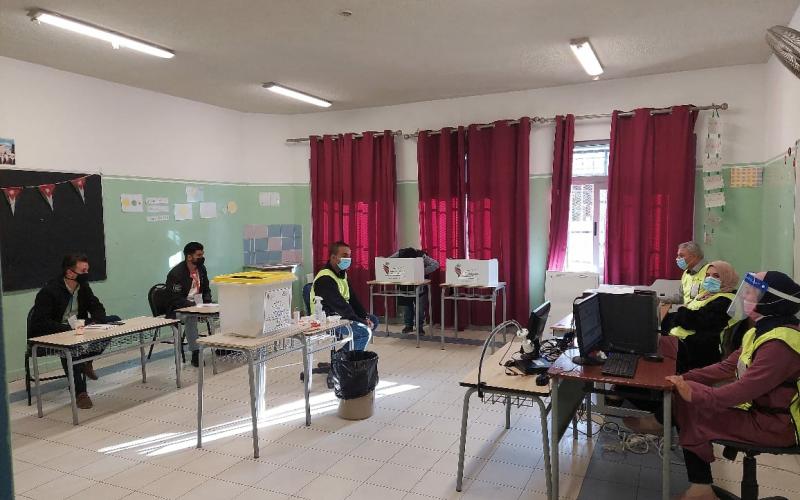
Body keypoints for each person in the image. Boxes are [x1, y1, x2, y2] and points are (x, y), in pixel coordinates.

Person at [667, 271, 800, 500]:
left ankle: (701, 488)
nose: (744, 295)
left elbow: (743, 390)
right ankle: (701, 486)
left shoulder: (780, 344)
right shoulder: (760, 331)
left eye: (752, 291)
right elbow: (726, 368)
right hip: (759, 412)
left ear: (771, 299)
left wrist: (696, 394)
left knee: (692, 406)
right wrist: (685, 378)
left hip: (777, 426)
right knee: (686, 400)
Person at [29, 253, 119, 409]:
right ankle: (80, 393)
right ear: (70, 273)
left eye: (87, 270)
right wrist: (69, 329)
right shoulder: (49, 291)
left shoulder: (83, 287)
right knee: (71, 348)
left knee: (114, 320)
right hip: (54, 332)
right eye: (83, 271)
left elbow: (96, 306)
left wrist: (97, 320)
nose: (87, 274)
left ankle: (86, 361)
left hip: (77, 327)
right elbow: (40, 323)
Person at [664, 260, 740, 373]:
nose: (710, 279)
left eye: (716, 276)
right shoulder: (705, 294)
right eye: (707, 275)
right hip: (681, 341)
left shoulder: (726, 300)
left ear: (727, 278)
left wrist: (681, 312)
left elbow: (696, 321)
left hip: (698, 350)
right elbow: (688, 314)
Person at [310, 241, 376, 351]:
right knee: (363, 332)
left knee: (373, 320)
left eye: (349, 256)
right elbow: (340, 305)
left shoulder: (342, 274)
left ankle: (342, 355)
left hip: (340, 314)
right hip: (328, 318)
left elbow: (353, 299)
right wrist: (360, 321)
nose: (348, 259)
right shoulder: (325, 278)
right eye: (344, 256)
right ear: (333, 257)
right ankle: (343, 358)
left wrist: (364, 317)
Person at [163, 242, 212, 367]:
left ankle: (223, 346)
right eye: (199, 255)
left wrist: (207, 304)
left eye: (202, 254)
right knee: (191, 317)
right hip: (178, 310)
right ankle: (195, 353)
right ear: (189, 257)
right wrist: (194, 307)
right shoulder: (176, 274)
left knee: (221, 309)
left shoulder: (201, 269)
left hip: (198, 305)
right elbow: (176, 299)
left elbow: (206, 289)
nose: (202, 258)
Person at [388, 247, 439, 334]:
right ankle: (408, 326)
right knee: (407, 307)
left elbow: (435, 264)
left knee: (420, 308)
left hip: (420, 285)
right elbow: (388, 261)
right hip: (405, 285)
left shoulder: (421, 255)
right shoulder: (399, 254)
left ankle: (419, 327)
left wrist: (421, 271)